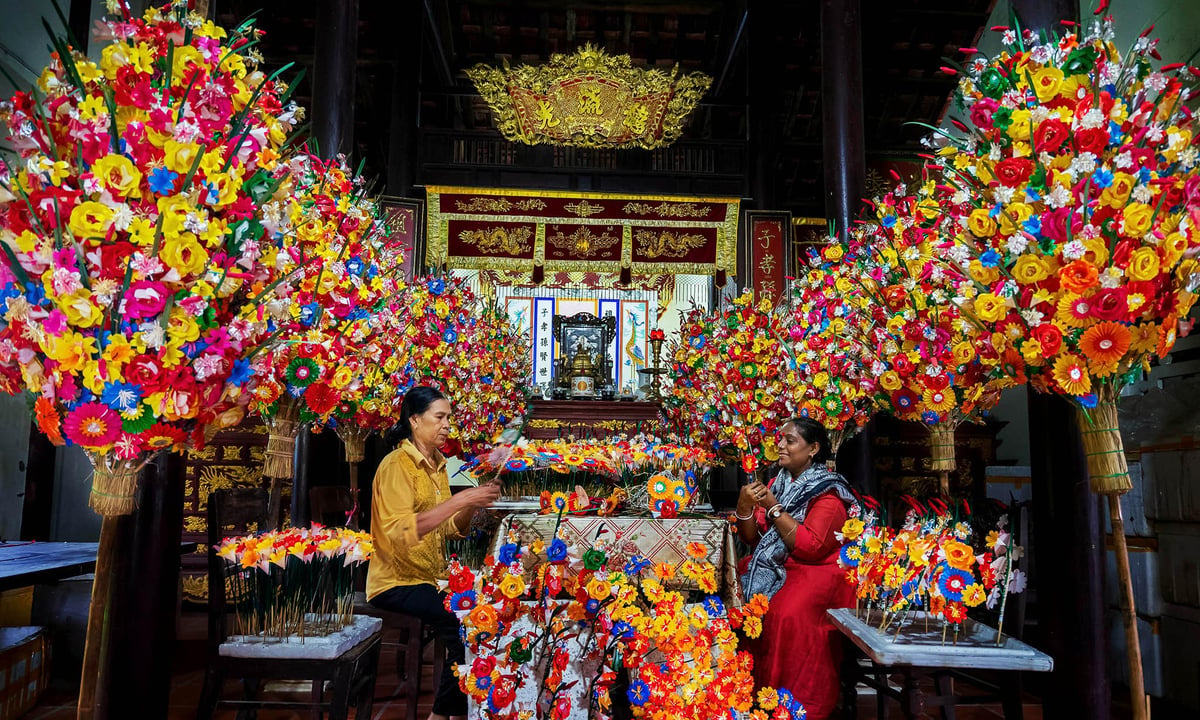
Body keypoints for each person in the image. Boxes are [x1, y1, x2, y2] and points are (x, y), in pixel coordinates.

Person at [366, 386, 501, 720]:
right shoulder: (396, 465)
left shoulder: (438, 465)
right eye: (439, 417)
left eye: (449, 418)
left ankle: (460, 712)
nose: (446, 426)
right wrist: (460, 500)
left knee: (484, 611)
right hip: (396, 581)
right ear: (414, 420)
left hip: (430, 577)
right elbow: (400, 531)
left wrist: (473, 502)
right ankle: (440, 715)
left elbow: (450, 529)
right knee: (465, 624)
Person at [736, 417, 857, 720]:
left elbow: (810, 547)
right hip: (783, 564)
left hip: (818, 570)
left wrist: (774, 507)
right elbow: (753, 539)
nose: (780, 445)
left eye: (790, 441)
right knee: (738, 590)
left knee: (785, 612)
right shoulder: (781, 481)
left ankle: (796, 703)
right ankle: (749, 694)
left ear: (814, 448)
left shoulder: (828, 493)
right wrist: (744, 506)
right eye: (780, 439)